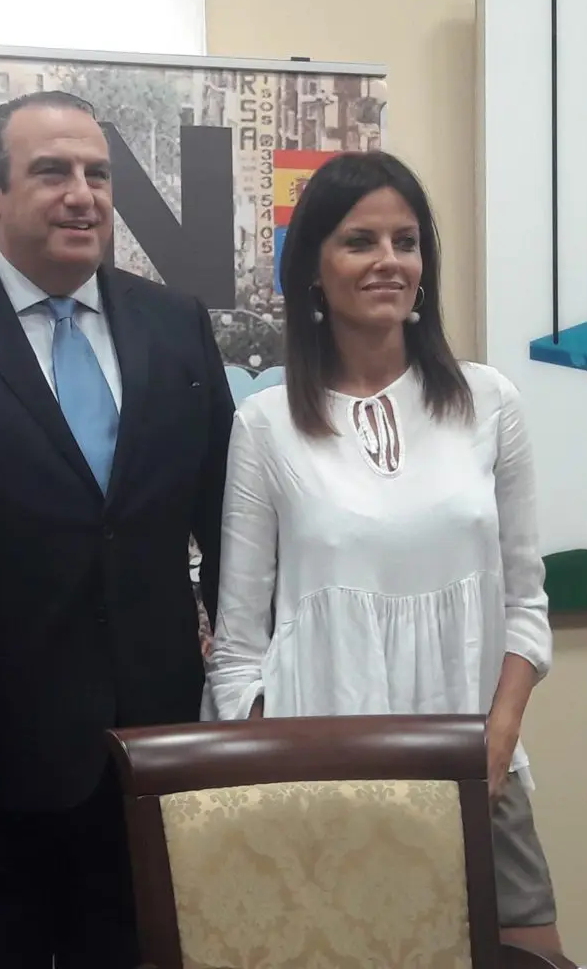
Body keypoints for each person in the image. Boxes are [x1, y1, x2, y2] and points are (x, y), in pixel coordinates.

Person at [0, 91, 234, 968]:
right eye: (52, 172)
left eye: (98, 174)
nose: (81, 195)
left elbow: (224, 524)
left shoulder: (175, 323)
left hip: (154, 745)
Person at [204, 150, 566, 955]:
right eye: (360, 241)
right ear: (313, 269)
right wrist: (281, 772)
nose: (388, 261)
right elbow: (239, 651)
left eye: (406, 241)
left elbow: (526, 604)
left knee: (533, 955)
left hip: (477, 764)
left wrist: (499, 736)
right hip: (320, 781)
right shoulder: (264, 425)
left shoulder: (489, 401)